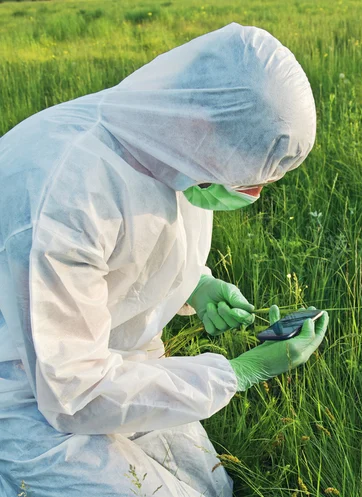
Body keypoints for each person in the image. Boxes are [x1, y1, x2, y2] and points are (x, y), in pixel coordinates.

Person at [0, 22, 329, 497]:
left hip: (111, 361)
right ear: (201, 126)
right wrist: (239, 373)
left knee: (210, 487)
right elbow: (72, 392)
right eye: (244, 179)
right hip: (27, 392)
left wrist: (197, 284)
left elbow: (142, 236)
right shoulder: (67, 195)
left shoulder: (163, 136)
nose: (247, 193)